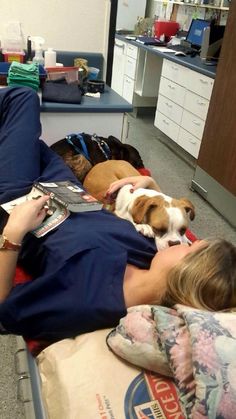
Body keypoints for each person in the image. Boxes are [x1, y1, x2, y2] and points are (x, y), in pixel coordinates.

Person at [0, 87, 235, 342]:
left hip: (19, 198)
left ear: (181, 273)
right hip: (67, 189)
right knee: (23, 134)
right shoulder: (151, 253)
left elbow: (3, 313)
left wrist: (13, 234)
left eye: (195, 249)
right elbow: (168, 218)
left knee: (21, 98)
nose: (193, 240)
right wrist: (150, 186)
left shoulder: (88, 299)